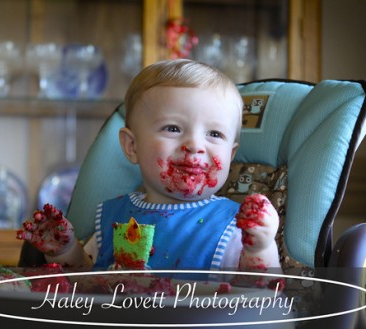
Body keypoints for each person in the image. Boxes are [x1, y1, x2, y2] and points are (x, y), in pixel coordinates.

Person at [17, 59, 281, 284]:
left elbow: (262, 297)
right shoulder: (114, 218)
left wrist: (260, 246)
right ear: (132, 146)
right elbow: (86, 284)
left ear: (230, 154)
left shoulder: (233, 227)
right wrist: (63, 251)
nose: (195, 146)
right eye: (173, 128)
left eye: (214, 134)